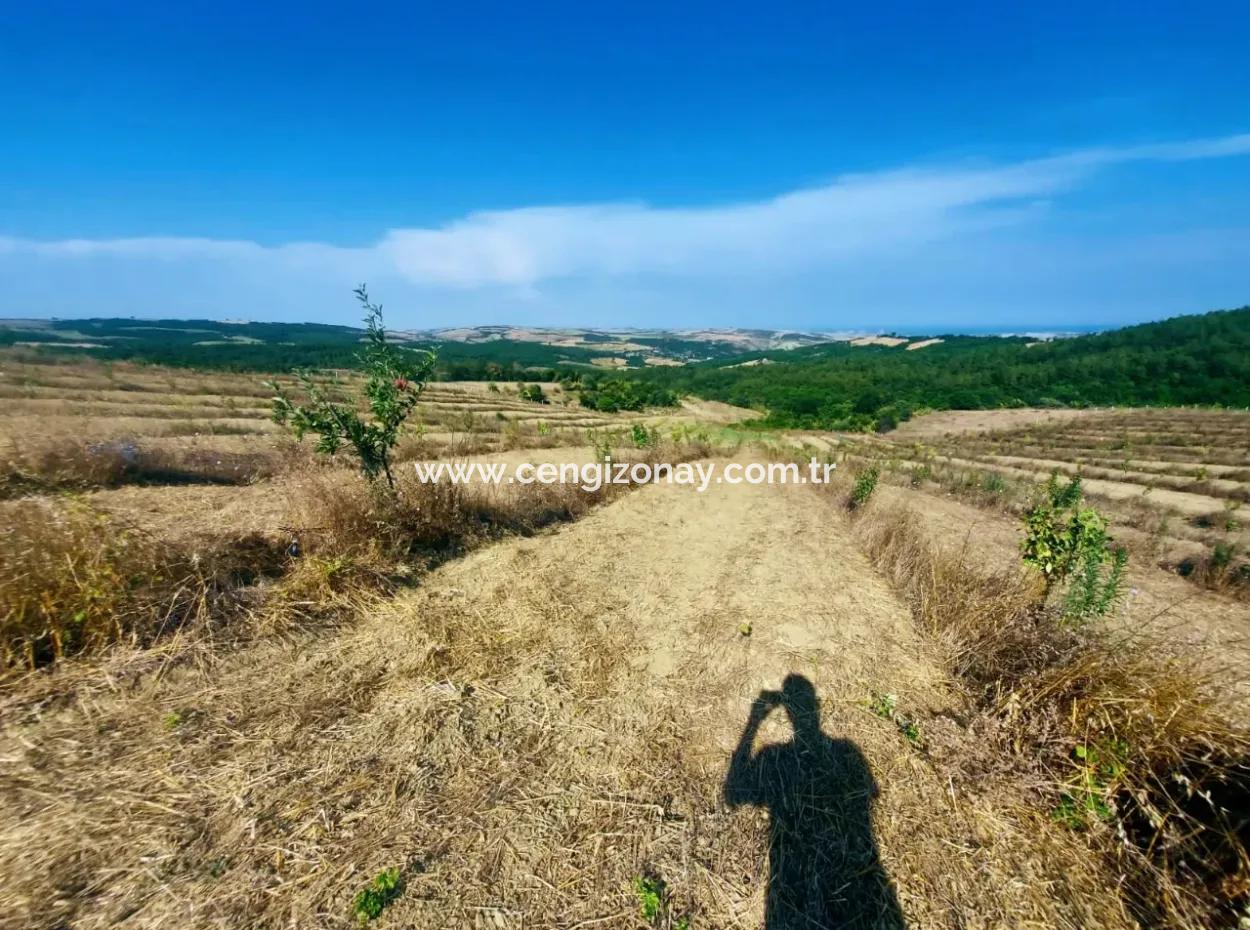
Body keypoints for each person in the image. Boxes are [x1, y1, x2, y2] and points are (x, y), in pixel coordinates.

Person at [723, 674, 905, 929]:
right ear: (816, 707)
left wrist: (754, 721)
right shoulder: (847, 751)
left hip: (789, 891)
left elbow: (734, 794)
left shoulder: (776, 754)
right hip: (859, 886)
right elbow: (871, 796)